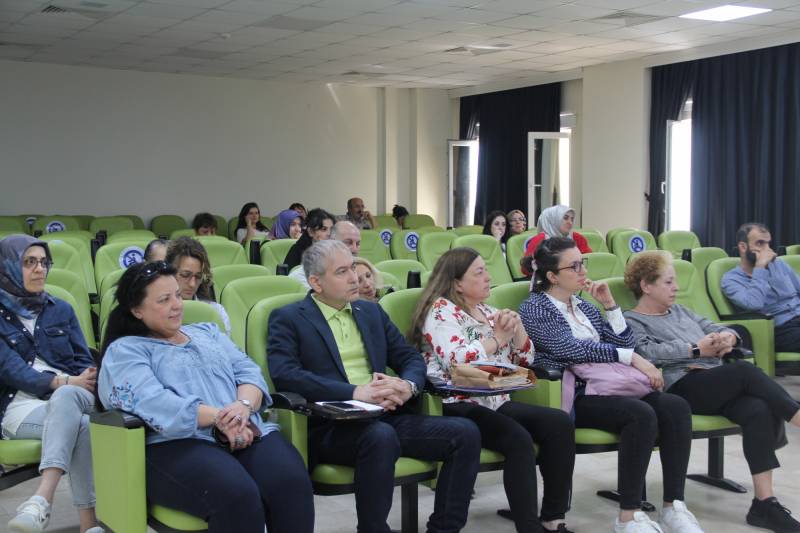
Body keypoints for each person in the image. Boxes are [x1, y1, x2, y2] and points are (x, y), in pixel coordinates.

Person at [268, 240, 481, 533]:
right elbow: (287, 375)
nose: (354, 278)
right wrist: (355, 392)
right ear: (316, 282)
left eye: (352, 268)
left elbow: (409, 357)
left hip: (385, 414)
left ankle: (444, 529)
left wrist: (407, 385)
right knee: (380, 437)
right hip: (332, 426)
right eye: (342, 272)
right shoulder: (289, 318)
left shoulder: (371, 312)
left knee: (465, 433)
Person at [98, 261, 313, 533]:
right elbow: (153, 402)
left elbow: (248, 371)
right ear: (136, 310)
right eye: (164, 300)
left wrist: (243, 407)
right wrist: (221, 418)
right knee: (238, 496)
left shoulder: (207, 332)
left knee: (291, 483)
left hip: (244, 426)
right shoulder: (126, 350)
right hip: (176, 444)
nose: (177, 305)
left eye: (178, 295)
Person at [519, 237, 703, 533]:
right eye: (574, 266)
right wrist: (631, 358)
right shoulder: (535, 308)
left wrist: (609, 305)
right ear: (552, 276)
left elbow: (625, 342)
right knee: (640, 414)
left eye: (583, 263)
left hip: (611, 385)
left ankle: (673, 506)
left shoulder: (585, 306)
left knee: (675, 406)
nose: (582, 270)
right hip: (576, 393)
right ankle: (628, 516)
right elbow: (570, 350)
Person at [624, 251, 800, 532]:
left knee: (757, 409)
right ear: (646, 285)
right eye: (668, 282)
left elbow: (716, 327)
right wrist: (696, 349)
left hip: (714, 382)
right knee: (744, 371)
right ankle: (796, 415)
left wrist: (727, 337)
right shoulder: (632, 319)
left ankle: (764, 504)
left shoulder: (681, 311)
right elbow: (646, 352)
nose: (676, 287)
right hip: (682, 386)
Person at [412, 247, 576, 533]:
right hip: (457, 401)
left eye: (486, 270)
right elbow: (456, 361)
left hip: (495, 397)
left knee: (559, 423)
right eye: (479, 272)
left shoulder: (488, 311)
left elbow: (524, 361)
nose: (488, 277)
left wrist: (518, 329)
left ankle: (553, 518)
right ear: (457, 283)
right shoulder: (440, 311)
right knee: (518, 439)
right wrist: (498, 338)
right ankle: (528, 527)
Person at [0, 235, 103, 533]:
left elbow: (83, 361)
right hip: (20, 406)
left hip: (71, 397)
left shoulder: (62, 309)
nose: (40, 269)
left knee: (68, 398)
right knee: (82, 426)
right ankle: (89, 526)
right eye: (29, 262)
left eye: (44, 262)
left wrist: (78, 379)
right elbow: (12, 371)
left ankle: (41, 501)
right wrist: (64, 381)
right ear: (7, 267)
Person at [722, 222, 800, 352]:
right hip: (779, 329)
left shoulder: (779, 264)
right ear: (743, 247)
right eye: (760, 243)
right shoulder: (731, 280)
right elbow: (754, 304)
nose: (767, 249)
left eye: (768, 243)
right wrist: (760, 267)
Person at [165, 237, 231, 334]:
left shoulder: (216, 312)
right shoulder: (157, 311)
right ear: (169, 273)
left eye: (198, 276)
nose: (192, 284)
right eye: (185, 275)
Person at [289, 221, 361, 290]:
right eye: (348, 242)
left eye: (357, 244)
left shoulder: (362, 270)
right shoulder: (301, 276)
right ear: (331, 241)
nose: (355, 249)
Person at [521, 207, 591, 276]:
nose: (570, 222)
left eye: (572, 219)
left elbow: (591, 262)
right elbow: (526, 269)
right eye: (565, 218)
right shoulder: (540, 239)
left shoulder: (577, 237)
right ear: (553, 220)